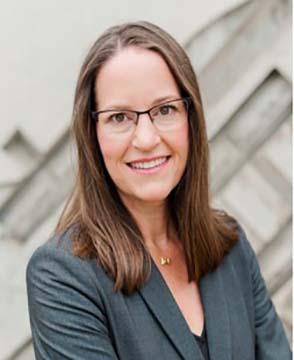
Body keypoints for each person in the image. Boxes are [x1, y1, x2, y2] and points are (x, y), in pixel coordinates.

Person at [26, 21, 291, 360]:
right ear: (92, 134)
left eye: (165, 110)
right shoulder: (62, 276)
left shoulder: (230, 245)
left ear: (190, 120)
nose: (147, 139)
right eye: (120, 117)